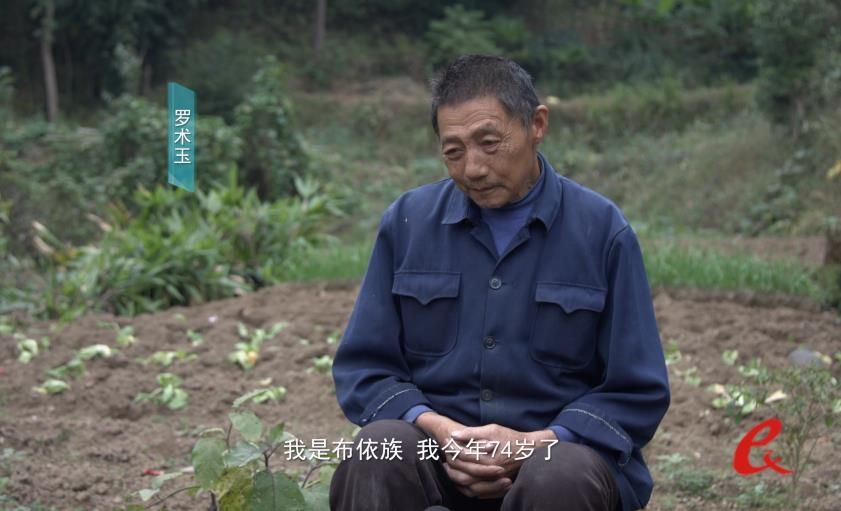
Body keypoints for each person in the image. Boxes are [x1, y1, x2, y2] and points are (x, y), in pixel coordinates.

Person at [329, 55, 670, 511]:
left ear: (536, 124)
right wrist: (438, 429)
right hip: (437, 455)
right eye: (454, 152)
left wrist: (536, 442)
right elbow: (365, 367)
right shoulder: (408, 224)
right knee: (378, 450)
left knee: (559, 473)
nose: (472, 168)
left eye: (489, 143)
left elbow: (637, 389)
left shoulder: (602, 230)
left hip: (557, 460)